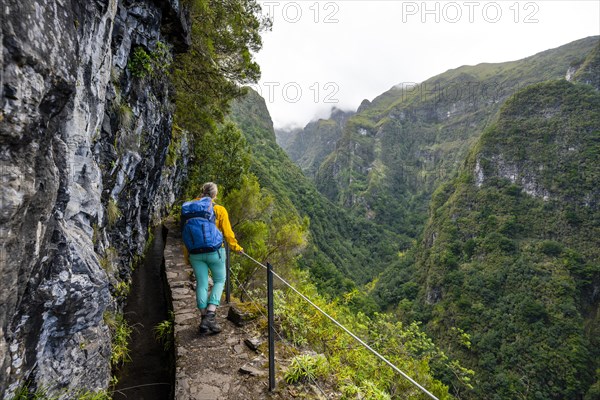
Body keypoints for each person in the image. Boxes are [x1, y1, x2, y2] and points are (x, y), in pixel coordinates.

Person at [185, 182, 243, 334]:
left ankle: (204, 319)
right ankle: (210, 314)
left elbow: (186, 234)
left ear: (201, 192)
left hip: (195, 253)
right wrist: (236, 248)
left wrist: (187, 256)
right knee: (219, 280)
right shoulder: (219, 210)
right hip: (215, 252)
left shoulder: (190, 209)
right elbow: (228, 234)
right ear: (214, 195)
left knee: (202, 284)